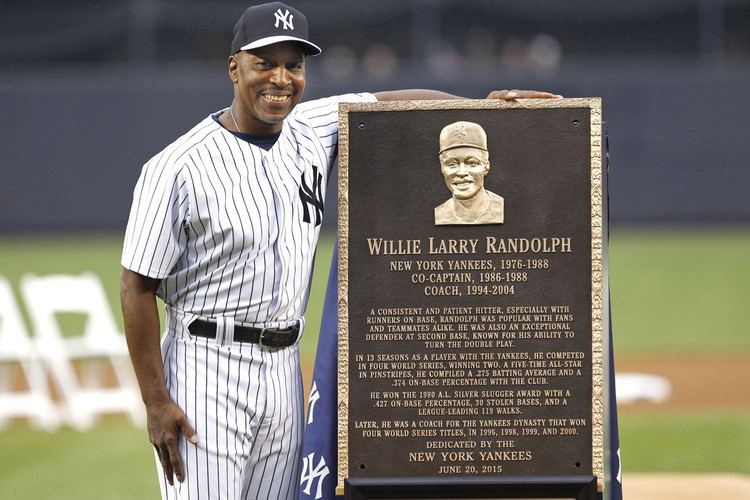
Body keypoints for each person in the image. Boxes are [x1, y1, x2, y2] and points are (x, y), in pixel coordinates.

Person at [119, 2, 562, 499]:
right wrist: (156, 402)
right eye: (265, 62)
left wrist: (481, 105)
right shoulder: (175, 167)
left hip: (285, 367)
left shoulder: (313, 127)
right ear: (234, 68)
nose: (281, 78)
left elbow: (397, 101)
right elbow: (136, 287)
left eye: (294, 64)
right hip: (205, 367)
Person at [434, 120, 504, 225]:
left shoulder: (501, 208)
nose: (461, 172)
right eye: (452, 164)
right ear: (442, 168)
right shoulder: (440, 213)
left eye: (472, 163)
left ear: (486, 167)